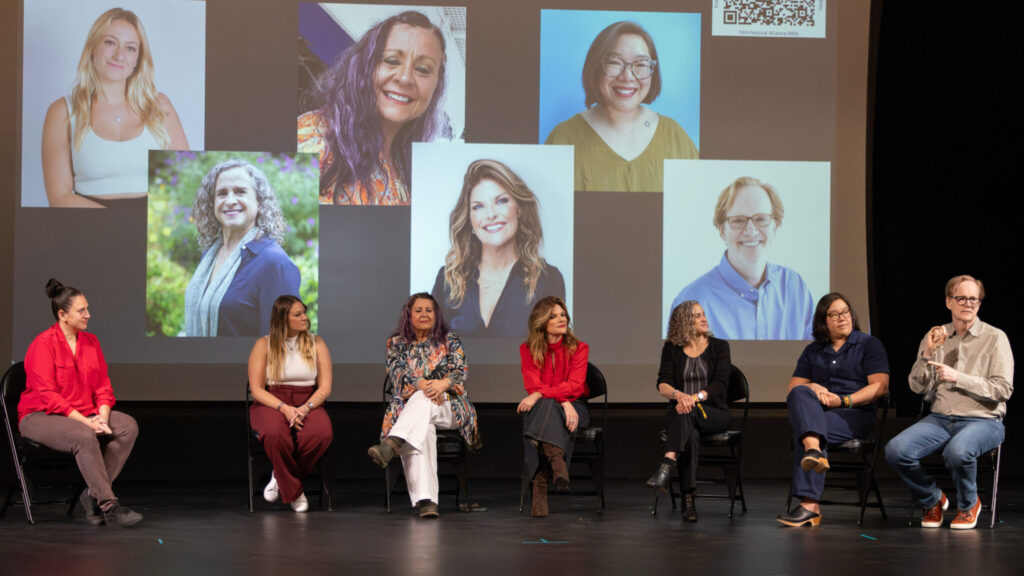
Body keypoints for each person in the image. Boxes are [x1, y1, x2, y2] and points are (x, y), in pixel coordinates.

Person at [885, 275, 1013, 530]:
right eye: (961, 298)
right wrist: (928, 354)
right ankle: (933, 499)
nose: (968, 304)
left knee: (958, 451)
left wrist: (959, 378)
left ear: (980, 302)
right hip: (941, 418)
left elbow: (1003, 389)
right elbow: (917, 386)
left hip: (983, 420)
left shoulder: (995, 338)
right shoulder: (936, 336)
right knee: (896, 450)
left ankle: (969, 505)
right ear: (948, 302)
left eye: (973, 299)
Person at [18, 279, 142, 527]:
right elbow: (49, 397)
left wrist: (103, 419)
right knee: (85, 435)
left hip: (84, 414)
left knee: (127, 426)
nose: (88, 315)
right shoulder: (43, 345)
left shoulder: (91, 343)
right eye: (82, 311)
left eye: (87, 309)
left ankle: (91, 495)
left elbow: (103, 388)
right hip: (39, 416)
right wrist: (87, 422)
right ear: (62, 315)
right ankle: (109, 504)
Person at [298, 10, 450, 205]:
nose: (404, 78)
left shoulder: (411, 167)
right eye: (391, 61)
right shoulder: (315, 139)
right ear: (364, 66)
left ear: (435, 87)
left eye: (423, 69)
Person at [42, 7, 188, 207]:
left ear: (138, 59)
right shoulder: (63, 111)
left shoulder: (159, 106)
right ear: (93, 46)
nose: (120, 56)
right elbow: (59, 197)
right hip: (89, 230)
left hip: (152, 232)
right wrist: (118, 226)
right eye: (110, 42)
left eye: (130, 48)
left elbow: (184, 182)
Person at [776, 293, 889, 527]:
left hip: (855, 415)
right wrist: (813, 386)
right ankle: (814, 451)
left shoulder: (868, 344)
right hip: (820, 414)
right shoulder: (813, 350)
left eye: (845, 312)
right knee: (800, 394)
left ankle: (809, 504)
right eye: (834, 314)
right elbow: (794, 388)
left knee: (807, 432)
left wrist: (843, 401)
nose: (842, 318)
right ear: (822, 321)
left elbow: (879, 387)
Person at [544, 21, 696, 193]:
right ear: (595, 68)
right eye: (615, 62)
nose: (628, 76)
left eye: (640, 64)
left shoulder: (675, 137)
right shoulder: (563, 138)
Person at [367, 293, 480, 518]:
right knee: (423, 425)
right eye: (418, 310)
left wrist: (441, 386)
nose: (424, 314)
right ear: (408, 315)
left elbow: (461, 371)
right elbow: (398, 373)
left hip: (451, 406)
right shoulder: (396, 343)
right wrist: (425, 388)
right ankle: (428, 502)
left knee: (421, 404)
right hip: (415, 408)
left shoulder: (451, 340)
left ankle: (392, 443)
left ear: (436, 315)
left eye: (429, 310)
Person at [431, 159, 566, 337]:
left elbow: (553, 354)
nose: (491, 214)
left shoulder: (547, 279)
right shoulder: (447, 280)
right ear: (469, 219)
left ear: (519, 209)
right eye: (478, 206)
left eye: (501, 201)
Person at [671, 176, 814, 340]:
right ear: (722, 231)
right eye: (738, 221)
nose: (751, 230)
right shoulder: (691, 302)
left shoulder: (795, 288)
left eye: (761, 219)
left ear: (775, 226)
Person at [184, 159, 300, 337]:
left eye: (240, 192)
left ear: (259, 202)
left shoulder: (275, 264)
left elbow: (283, 345)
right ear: (212, 203)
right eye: (222, 193)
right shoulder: (210, 254)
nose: (230, 201)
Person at [644, 301, 732, 522]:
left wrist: (693, 398)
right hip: (682, 415)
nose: (704, 319)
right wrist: (679, 396)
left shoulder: (720, 346)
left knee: (686, 413)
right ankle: (688, 499)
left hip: (713, 413)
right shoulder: (671, 349)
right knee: (689, 434)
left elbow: (720, 384)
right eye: (696, 316)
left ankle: (667, 464)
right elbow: (662, 384)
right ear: (683, 321)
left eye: (703, 314)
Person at [247, 295, 333, 512]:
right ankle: (294, 492)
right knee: (275, 434)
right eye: (298, 314)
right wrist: (284, 408)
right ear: (283, 319)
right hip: (271, 402)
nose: (305, 317)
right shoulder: (263, 344)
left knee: (322, 434)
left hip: (308, 401)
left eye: (304, 312)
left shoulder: (317, 343)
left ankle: (280, 476)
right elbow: (256, 389)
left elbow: (324, 388)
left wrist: (304, 408)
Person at [517, 296, 590, 517]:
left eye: (563, 314)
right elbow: (532, 384)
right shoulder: (527, 349)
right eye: (553, 316)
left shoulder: (579, 348)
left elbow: (575, 386)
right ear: (541, 322)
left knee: (543, 410)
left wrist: (552, 397)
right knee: (546, 408)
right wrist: (561, 399)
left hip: (576, 407)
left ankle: (539, 486)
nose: (561, 319)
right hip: (547, 409)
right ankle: (557, 462)